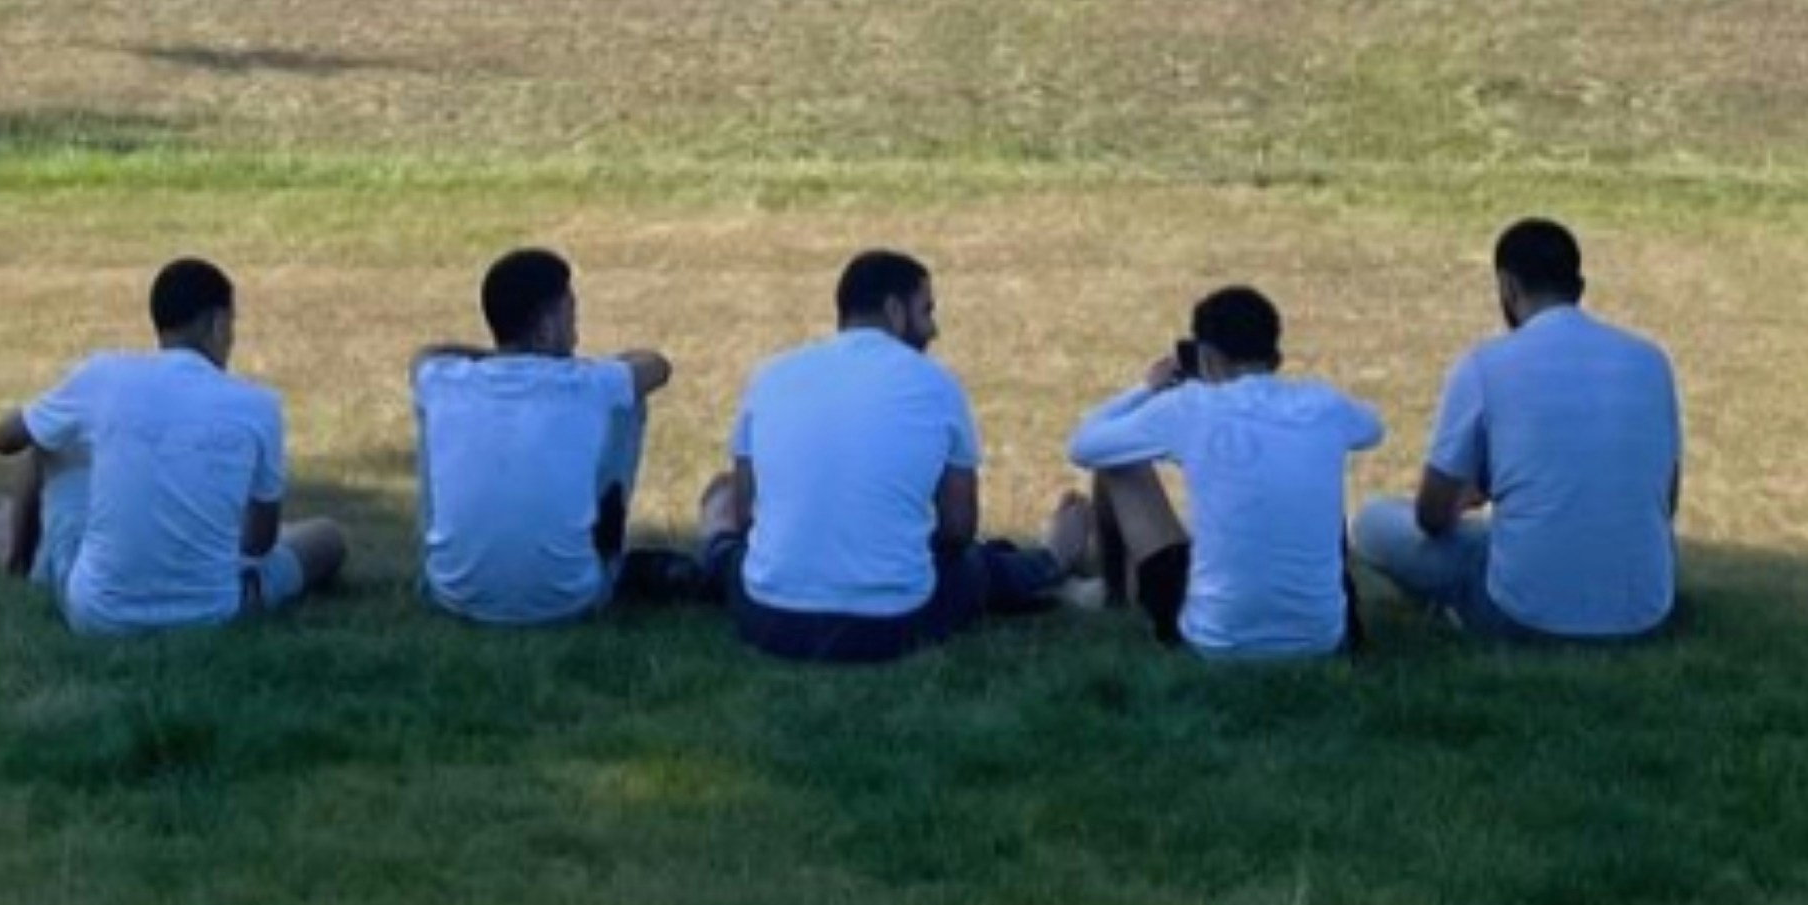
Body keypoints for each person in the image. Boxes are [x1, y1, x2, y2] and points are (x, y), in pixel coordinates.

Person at [704, 249, 1062, 663]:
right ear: (895, 310)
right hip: (892, 626)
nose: (935, 329)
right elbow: (958, 531)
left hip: (768, 620)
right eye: (926, 311)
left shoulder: (770, 376)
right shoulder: (937, 385)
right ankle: (1056, 554)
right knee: (976, 566)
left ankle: (712, 528)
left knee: (728, 547)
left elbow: (749, 518)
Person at [1355, 217, 1682, 643]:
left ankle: (1462, 606)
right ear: (1579, 288)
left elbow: (1431, 518)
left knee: (1373, 521)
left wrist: (1470, 495)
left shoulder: (1483, 366)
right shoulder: (1650, 362)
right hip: (1646, 613)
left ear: (1506, 287)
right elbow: (1665, 502)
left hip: (1524, 614)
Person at [0, 255, 346, 633]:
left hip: (98, 615)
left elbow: (5, 438)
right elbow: (258, 544)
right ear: (219, 324)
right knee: (326, 538)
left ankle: (15, 553)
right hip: (215, 612)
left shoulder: (104, 375)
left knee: (45, 438)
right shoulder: (259, 406)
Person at [1058, 284, 1381, 662]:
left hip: (1215, 640)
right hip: (1326, 638)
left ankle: (1112, 593)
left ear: (1206, 355)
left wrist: (1146, 388)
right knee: (1307, 484)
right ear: (1274, 355)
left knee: (1119, 464)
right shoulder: (1324, 405)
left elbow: (1084, 445)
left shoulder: (1190, 406)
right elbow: (1373, 430)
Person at [412, 244, 692, 622]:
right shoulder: (588, 385)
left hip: (452, 593)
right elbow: (655, 365)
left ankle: (451, 548)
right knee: (629, 402)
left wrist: (503, 358)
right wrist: (568, 368)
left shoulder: (441, 378)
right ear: (547, 328)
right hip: (569, 597)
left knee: (433, 413)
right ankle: (607, 553)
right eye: (570, 317)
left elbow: (427, 354)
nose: (576, 336)